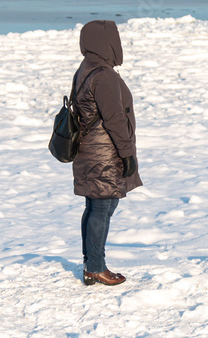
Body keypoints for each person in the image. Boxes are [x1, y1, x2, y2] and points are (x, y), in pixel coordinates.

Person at [72, 19, 142, 286]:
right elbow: (114, 118)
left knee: (96, 206)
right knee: (102, 206)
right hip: (104, 152)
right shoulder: (104, 76)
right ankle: (96, 267)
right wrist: (127, 155)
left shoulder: (87, 68)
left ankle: (92, 264)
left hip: (90, 150)